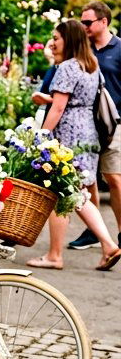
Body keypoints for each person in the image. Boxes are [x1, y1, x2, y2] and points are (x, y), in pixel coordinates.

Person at [28, 19, 121, 272]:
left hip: (68, 134)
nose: (53, 42)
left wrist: (41, 138)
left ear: (68, 39)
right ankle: (109, 244)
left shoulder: (67, 67)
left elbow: (59, 107)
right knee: (77, 194)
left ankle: (54, 255)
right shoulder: (90, 65)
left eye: (56, 37)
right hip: (88, 133)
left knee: (61, 193)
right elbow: (75, 98)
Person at [67, 1, 121, 251]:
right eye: (82, 22)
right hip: (85, 124)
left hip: (113, 122)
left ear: (104, 22)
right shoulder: (83, 49)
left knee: (113, 178)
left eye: (87, 22)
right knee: (86, 180)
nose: (84, 26)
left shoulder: (119, 49)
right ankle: (94, 231)